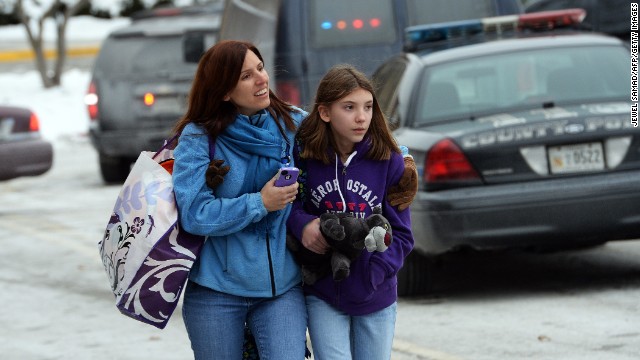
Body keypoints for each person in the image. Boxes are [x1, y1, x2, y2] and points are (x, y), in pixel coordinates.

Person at [171, 40, 308, 359]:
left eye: (260, 68)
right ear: (223, 91)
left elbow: (352, 137)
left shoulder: (292, 124)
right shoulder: (198, 137)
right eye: (247, 76)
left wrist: (403, 160)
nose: (262, 79)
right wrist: (260, 202)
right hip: (215, 292)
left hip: (280, 289)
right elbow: (195, 214)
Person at [287, 64, 415, 360]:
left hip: (376, 294)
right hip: (323, 290)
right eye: (349, 107)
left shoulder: (390, 161)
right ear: (324, 112)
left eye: (368, 107)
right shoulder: (305, 158)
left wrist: (375, 273)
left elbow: (403, 235)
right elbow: (291, 206)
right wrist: (303, 224)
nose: (361, 117)